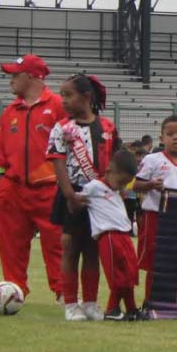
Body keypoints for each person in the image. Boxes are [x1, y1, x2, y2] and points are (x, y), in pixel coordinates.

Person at [0, 54, 65, 301]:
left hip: (49, 188)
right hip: (12, 188)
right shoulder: (10, 110)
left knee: (56, 244)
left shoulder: (57, 105)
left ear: (31, 77)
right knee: (10, 246)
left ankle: (63, 292)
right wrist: (0, 177)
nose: (10, 80)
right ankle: (14, 291)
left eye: (14, 75)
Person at [47, 74, 119, 321]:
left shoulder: (108, 126)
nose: (63, 100)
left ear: (87, 97)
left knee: (92, 250)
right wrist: (69, 194)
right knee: (70, 248)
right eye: (62, 95)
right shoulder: (61, 128)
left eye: (68, 95)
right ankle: (70, 303)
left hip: (98, 198)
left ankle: (89, 302)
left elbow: (115, 161)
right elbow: (57, 161)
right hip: (72, 194)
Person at [133, 116, 177, 313]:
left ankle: (169, 302)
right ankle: (149, 301)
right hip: (155, 217)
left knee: (174, 261)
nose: (175, 138)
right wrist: (150, 185)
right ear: (162, 138)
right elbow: (134, 184)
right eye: (170, 134)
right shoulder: (152, 160)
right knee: (154, 261)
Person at [74, 150, 141, 321]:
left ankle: (131, 309)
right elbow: (76, 198)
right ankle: (112, 309)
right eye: (121, 182)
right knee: (118, 276)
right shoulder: (95, 187)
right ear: (110, 170)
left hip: (124, 235)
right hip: (109, 236)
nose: (121, 186)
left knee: (130, 274)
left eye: (125, 183)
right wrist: (74, 201)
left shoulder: (116, 190)